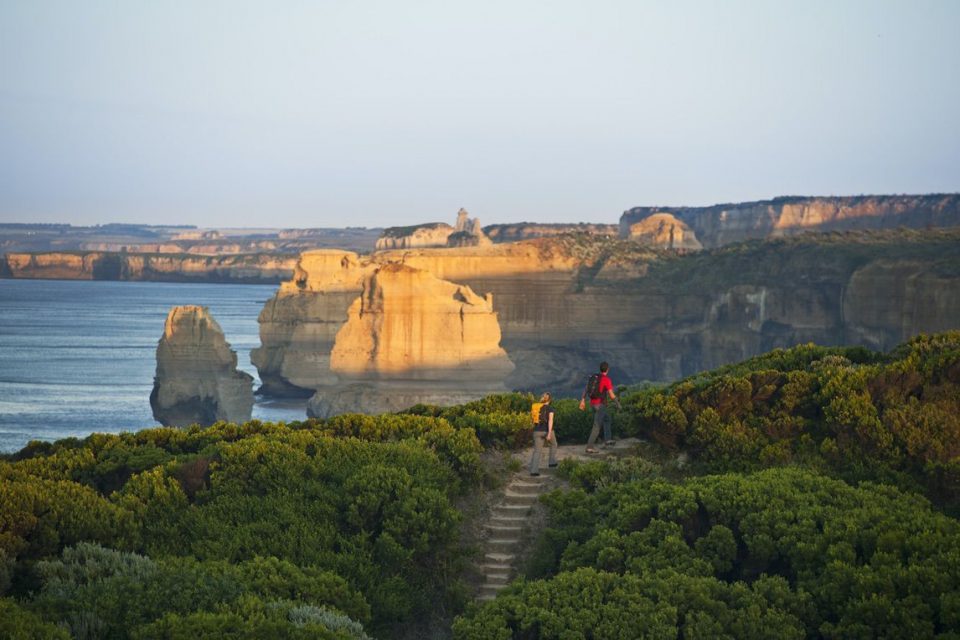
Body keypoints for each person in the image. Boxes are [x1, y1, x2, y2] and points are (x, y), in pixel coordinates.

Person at [580, 361, 619, 453]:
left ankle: (608, 440)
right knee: (596, 426)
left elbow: (586, 389)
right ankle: (589, 447)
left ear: (600, 369)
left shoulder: (594, 377)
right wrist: (618, 404)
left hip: (593, 404)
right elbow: (611, 395)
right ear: (607, 369)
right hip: (600, 405)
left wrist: (582, 400)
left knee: (607, 419)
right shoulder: (606, 379)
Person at [529, 392, 558, 476]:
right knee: (554, 444)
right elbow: (550, 421)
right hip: (546, 431)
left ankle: (534, 471)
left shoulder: (536, 407)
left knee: (537, 451)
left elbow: (533, 419)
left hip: (537, 431)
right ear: (550, 400)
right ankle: (552, 462)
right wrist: (549, 433)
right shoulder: (550, 409)